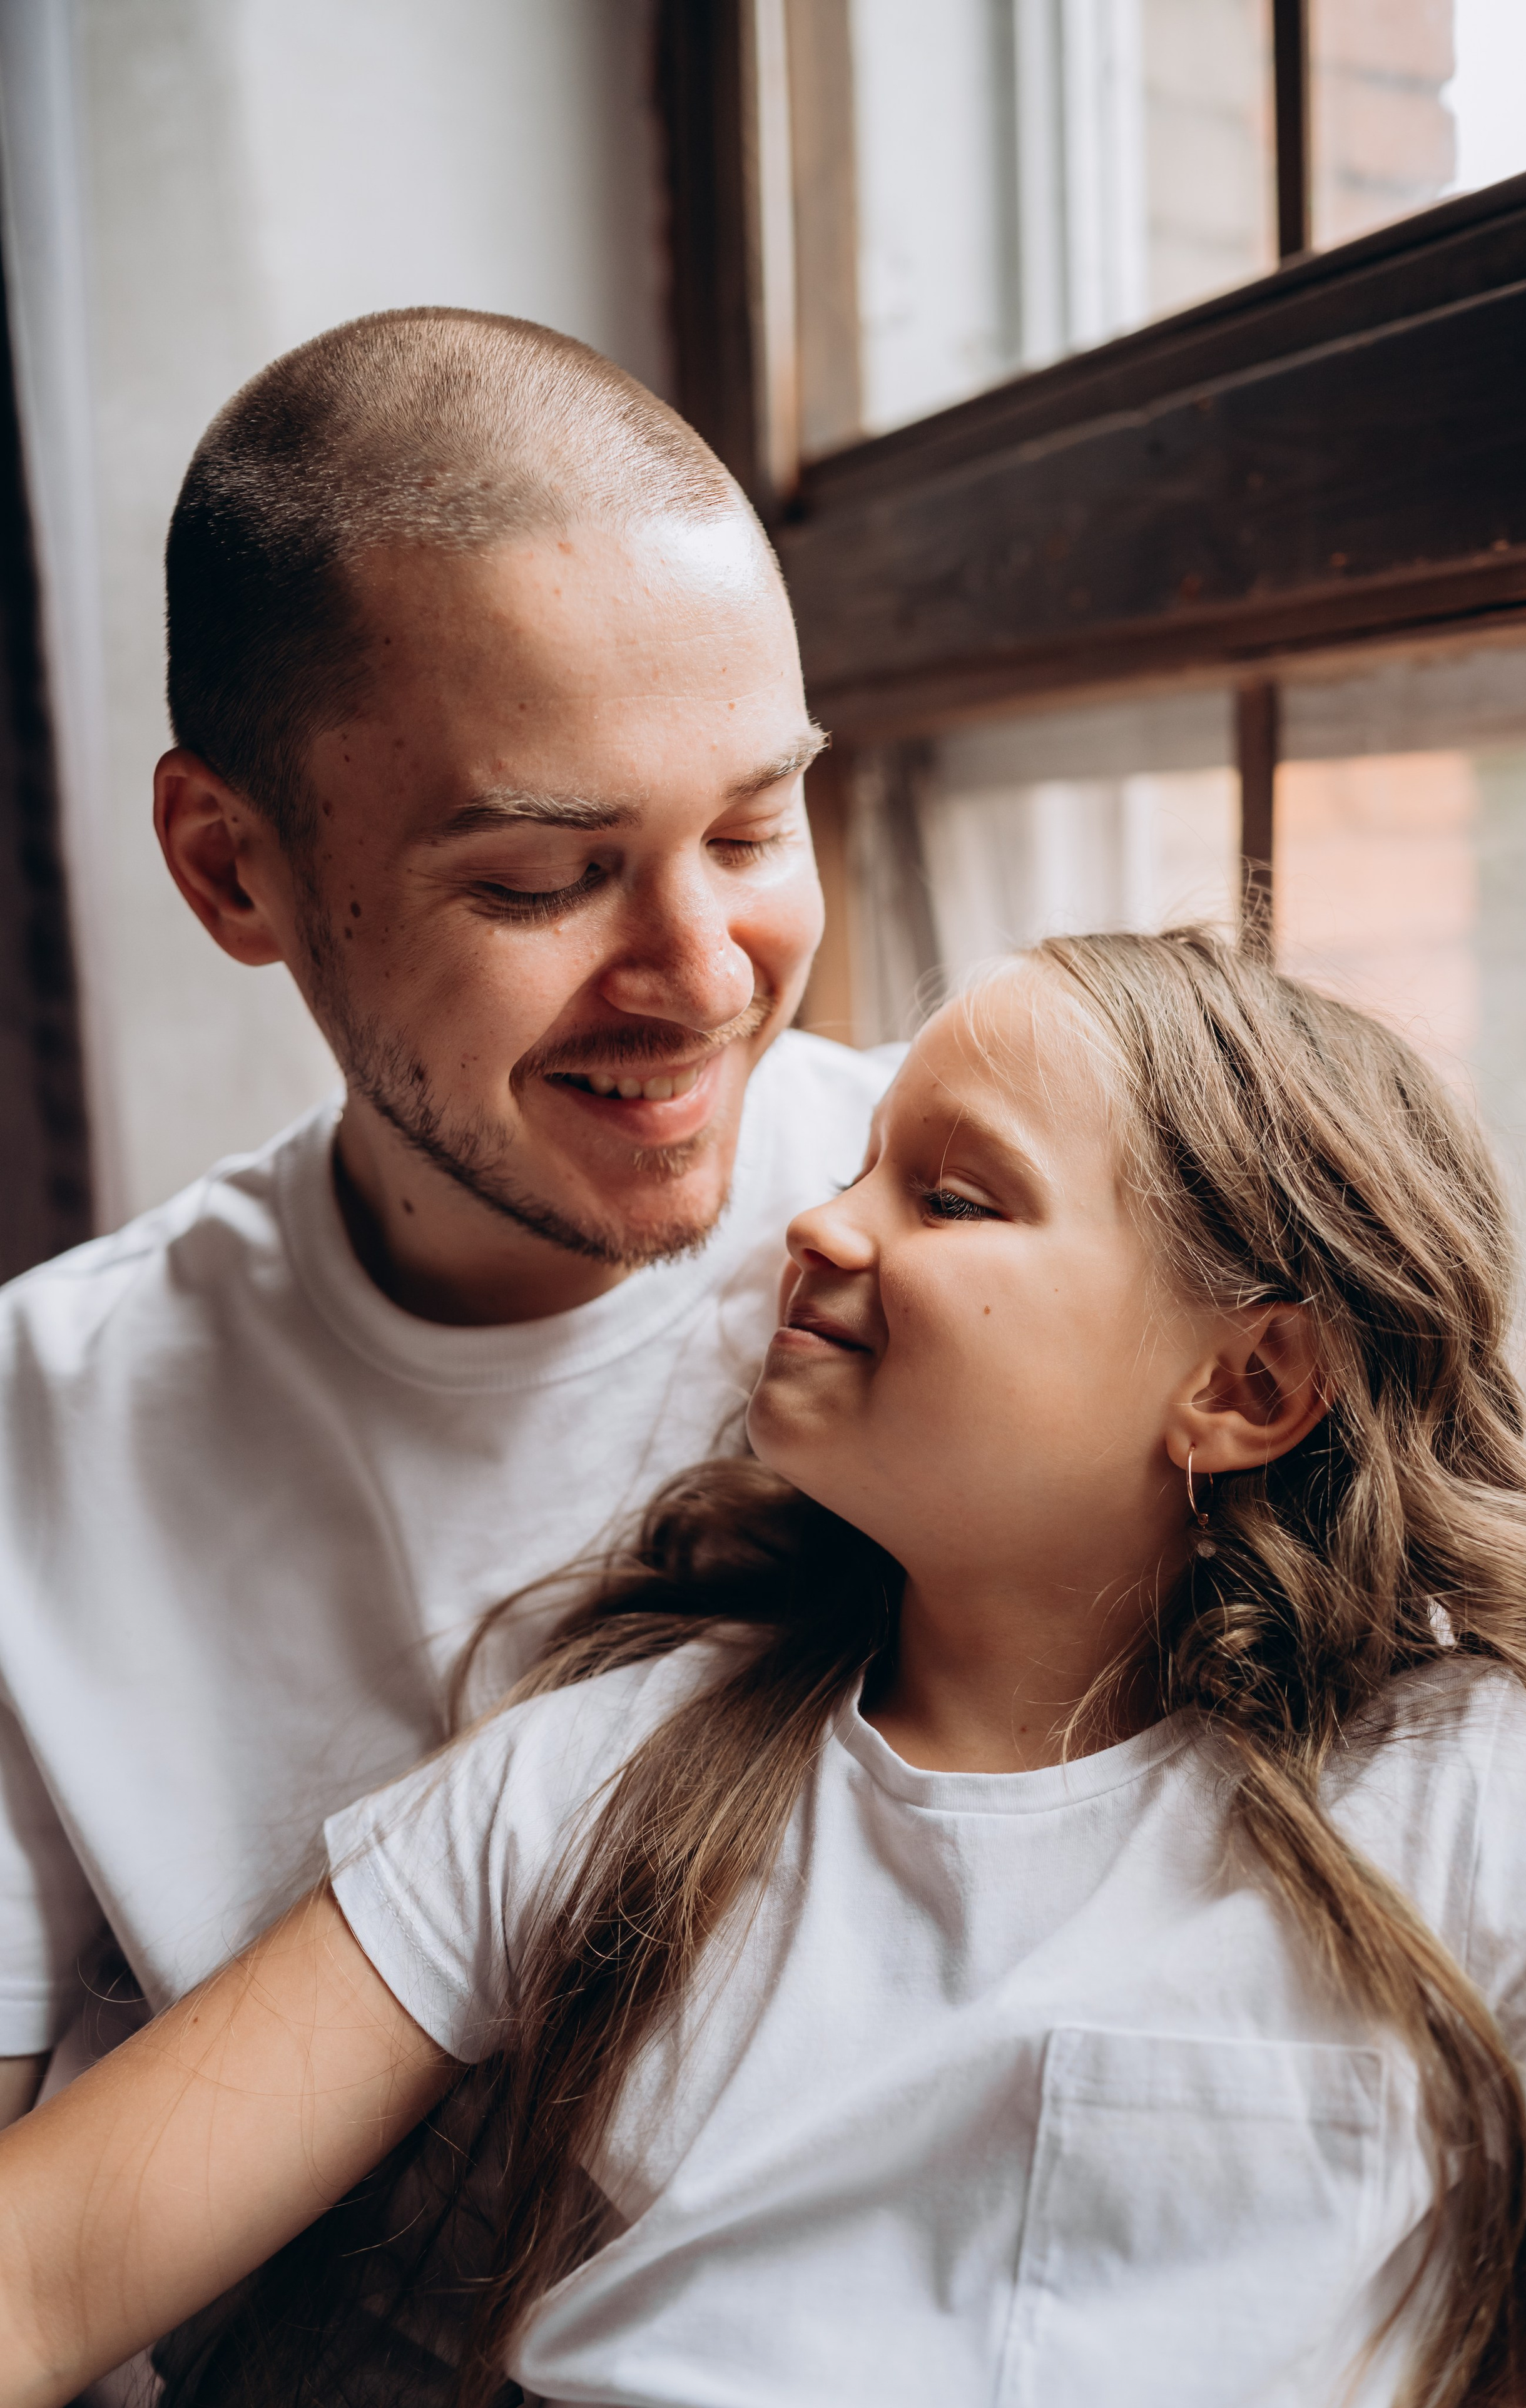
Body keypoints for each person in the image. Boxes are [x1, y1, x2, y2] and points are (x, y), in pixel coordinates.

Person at [3, 926, 1526, 2408]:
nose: (818, 1225)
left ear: (1245, 1382)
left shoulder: (1456, 1810)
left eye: (954, 1196)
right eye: (858, 1165)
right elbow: (50, 2271)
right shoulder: (597, 1774)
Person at [0, 307, 892, 2136]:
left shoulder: (1051, 1270)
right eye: (545, 879)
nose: (707, 976)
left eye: (753, 828)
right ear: (229, 867)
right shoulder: (44, 1430)